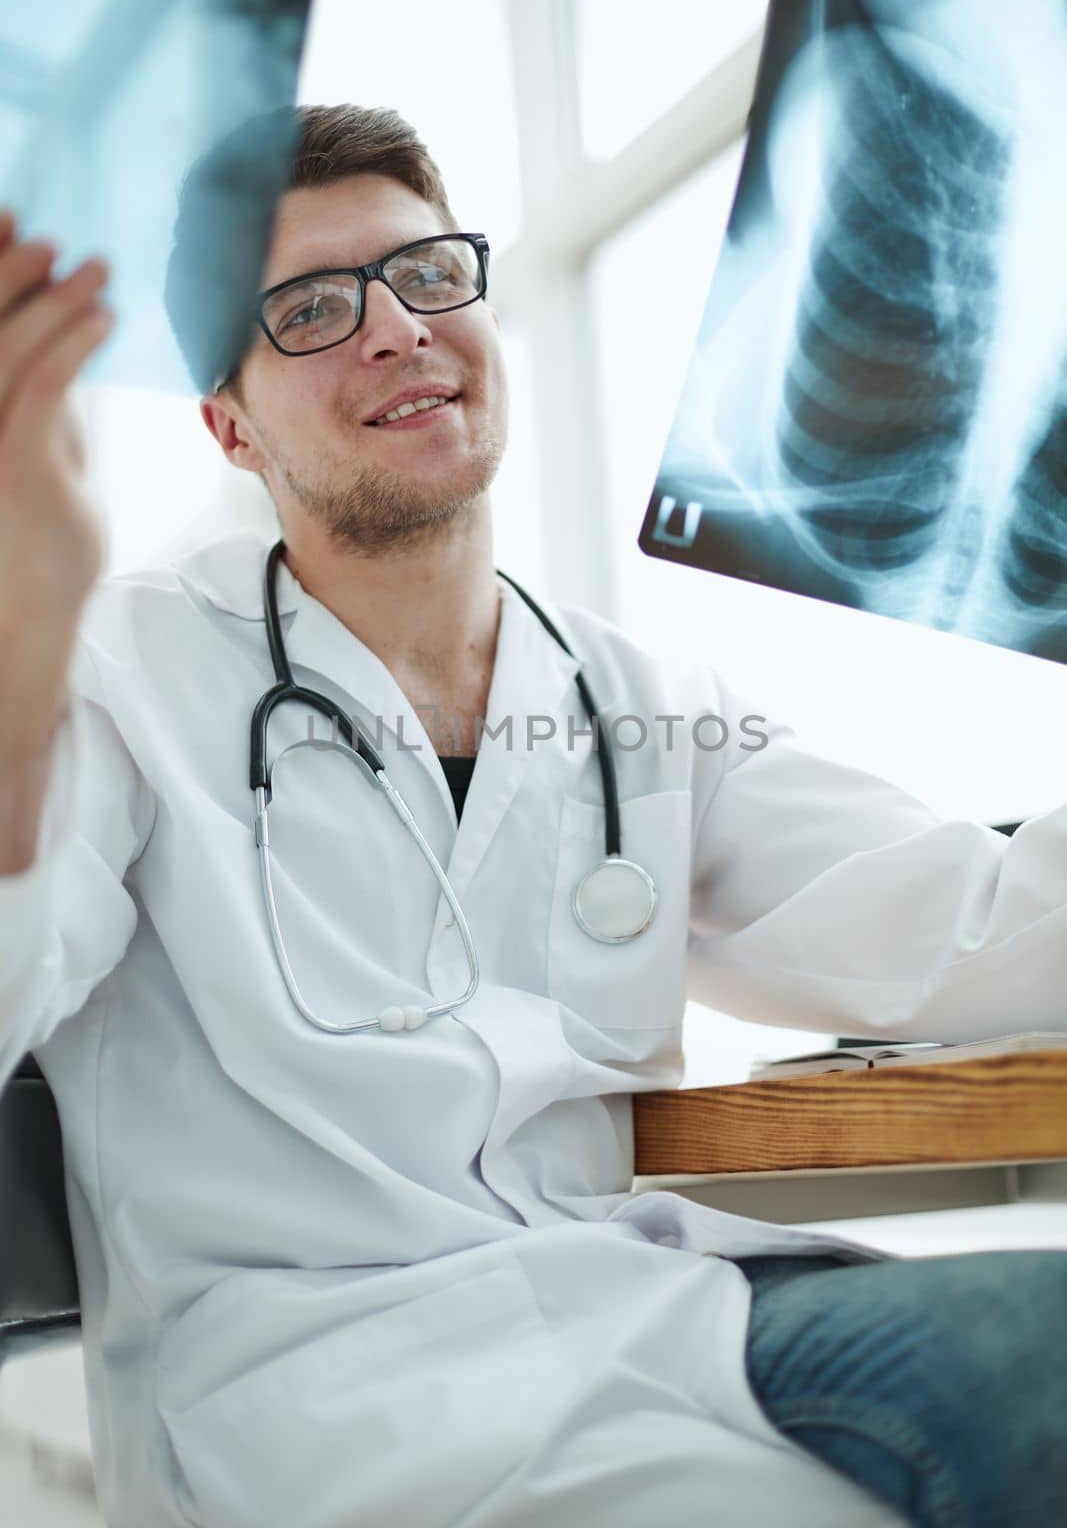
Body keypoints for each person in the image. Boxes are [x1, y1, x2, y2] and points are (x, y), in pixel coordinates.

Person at [0, 102, 1064, 1528]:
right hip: (313, 1402)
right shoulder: (117, 677)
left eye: (427, 274)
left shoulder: (639, 697)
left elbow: (972, 934)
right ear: (230, 426)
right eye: (312, 309)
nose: (394, 329)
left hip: (645, 1312)